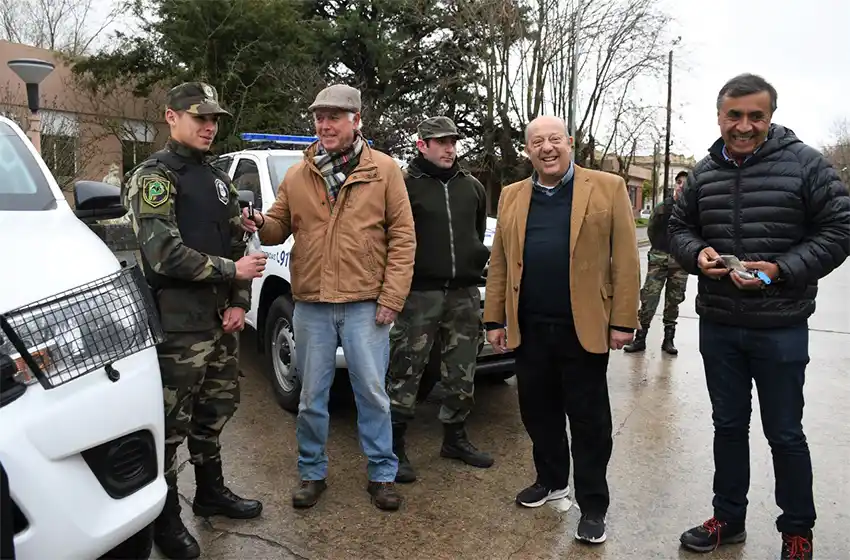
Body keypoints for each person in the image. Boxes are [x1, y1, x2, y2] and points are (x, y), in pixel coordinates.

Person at [669, 73, 850, 560]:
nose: (744, 126)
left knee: (785, 433)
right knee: (728, 426)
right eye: (735, 115)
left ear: (770, 116)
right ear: (720, 115)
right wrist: (697, 254)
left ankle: (797, 532)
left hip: (781, 325)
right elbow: (676, 227)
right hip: (720, 323)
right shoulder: (704, 171)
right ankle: (727, 519)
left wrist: (782, 269)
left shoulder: (807, 165)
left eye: (755, 116)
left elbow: (840, 229)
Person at [241, 84, 416, 511]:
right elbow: (279, 225)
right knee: (310, 396)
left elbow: (404, 238)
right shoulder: (298, 175)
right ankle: (312, 472)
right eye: (319, 116)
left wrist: (392, 297)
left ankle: (381, 474)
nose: (324, 124)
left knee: (372, 394)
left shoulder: (385, 170)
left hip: (365, 305)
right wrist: (261, 221)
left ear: (357, 121)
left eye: (334, 116)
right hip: (312, 304)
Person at [122, 82, 267, 559]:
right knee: (169, 427)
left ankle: (211, 492)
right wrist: (231, 273)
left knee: (214, 412)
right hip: (178, 327)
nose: (209, 126)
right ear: (171, 117)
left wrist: (239, 301)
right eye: (198, 117)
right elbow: (163, 255)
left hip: (220, 322)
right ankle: (164, 520)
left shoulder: (219, 181)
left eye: (214, 119)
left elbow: (236, 246)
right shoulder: (154, 177)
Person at [483, 115, 640, 545]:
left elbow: (626, 259)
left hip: (583, 328)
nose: (546, 148)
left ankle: (593, 505)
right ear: (528, 149)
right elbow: (499, 262)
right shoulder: (513, 195)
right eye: (537, 142)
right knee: (538, 411)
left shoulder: (605, 188)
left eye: (555, 139)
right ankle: (551, 480)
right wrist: (494, 318)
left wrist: (624, 320)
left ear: (569, 143)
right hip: (530, 327)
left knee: (590, 422)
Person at [386, 116, 494, 484]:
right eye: (440, 142)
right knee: (406, 368)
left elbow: (476, 233)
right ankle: (395, 445)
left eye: (453, 142)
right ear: (422, 145)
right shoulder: (404, 187)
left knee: (462, 369)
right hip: (419, 294)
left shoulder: (472, 188)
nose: (449, 148)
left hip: (463, 293)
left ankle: (455, 438)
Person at [624, 170, 690, 354]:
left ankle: (669, 340)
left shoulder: (692, 210)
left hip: (679, 264)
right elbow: (652, 229)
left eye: (685, 183)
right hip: (659, 259)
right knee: (648, 299)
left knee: (673, 301)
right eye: (679, 183)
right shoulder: (662, 207)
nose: (681, 186)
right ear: (675, 185)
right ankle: (640, 338)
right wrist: (659, 250)